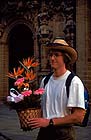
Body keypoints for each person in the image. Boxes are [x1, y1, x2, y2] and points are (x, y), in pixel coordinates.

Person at [28, 38, 86, 140]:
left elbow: (79, 116)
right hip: (44, 133)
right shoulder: (45, 81)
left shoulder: (73, 82)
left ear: (65, 58)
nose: (52, 58)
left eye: (56, 55)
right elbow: (43, 109)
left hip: (64, 134)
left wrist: (50, 122)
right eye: (50, 55)